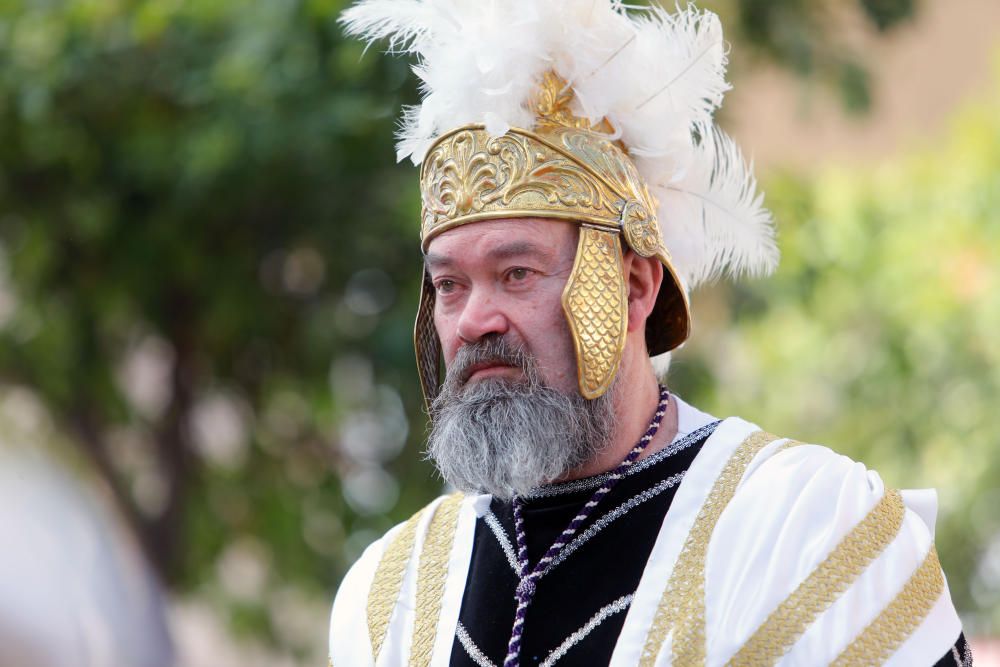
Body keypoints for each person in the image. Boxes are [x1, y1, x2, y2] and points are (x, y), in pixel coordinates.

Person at [330, 1, 971, 665]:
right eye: (451, 285)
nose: (474, 318)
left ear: (635, 286)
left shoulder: (806, 530)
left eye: (516, 273)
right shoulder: (389, 596)